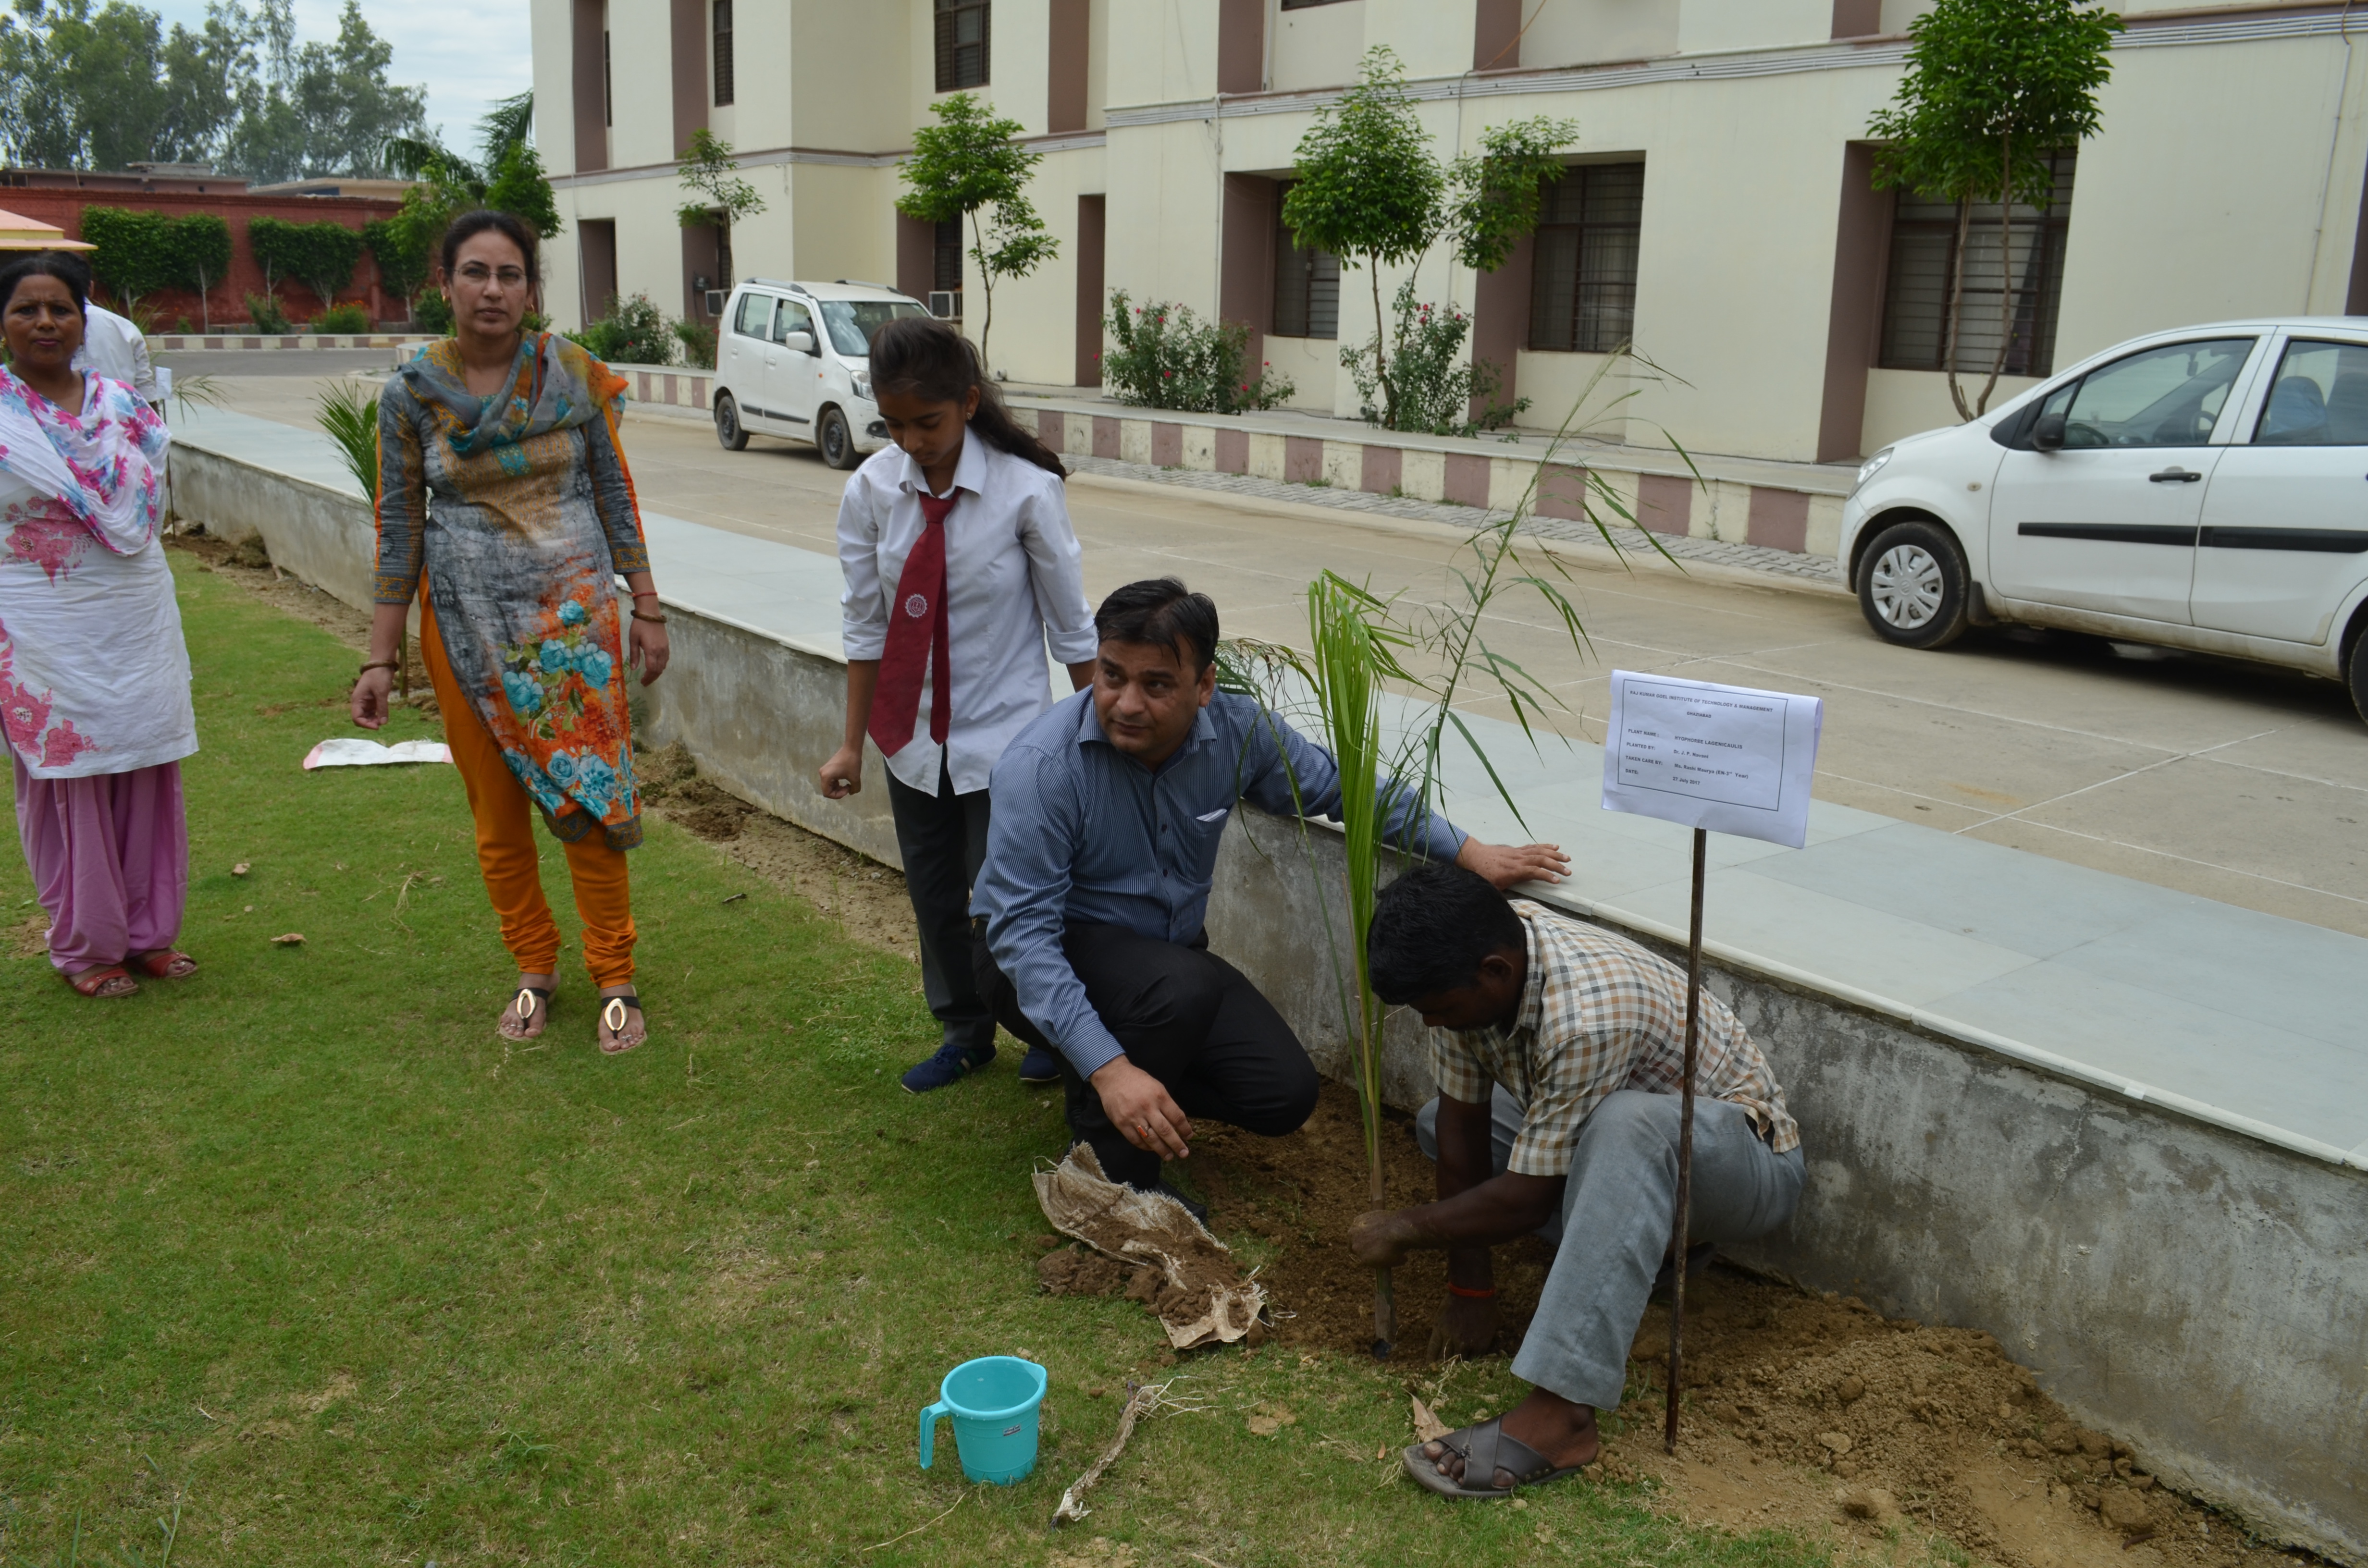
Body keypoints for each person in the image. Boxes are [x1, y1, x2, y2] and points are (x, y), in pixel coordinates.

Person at [971, 576, 1569, 1207]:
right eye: (1111, 676)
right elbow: (1023, 937)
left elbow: (1340, 787)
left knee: (1280, 1093)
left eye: (1157, 685)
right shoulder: (1044, 768)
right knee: (1178, 988)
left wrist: (1468, 851)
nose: (1126, 703)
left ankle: (1106, 1072)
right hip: (1033, 962)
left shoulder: (1236, 732)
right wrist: (1112, 1071)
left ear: (1205, 686)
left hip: (1163, 967)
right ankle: (1109, 1174)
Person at [1348, 861, 1804, 1500]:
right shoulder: (1470, 971)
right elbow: (1461, 1132)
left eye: (1440, 1009)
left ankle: (1561, 1416)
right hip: (1627, 1152)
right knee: (1436, 1123)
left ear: (1495, 972)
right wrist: (1470, 1292)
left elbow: (1526, 1200)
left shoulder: (1587, 1012)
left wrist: (1403, 1229)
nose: (1431, 1023)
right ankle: (1658, 1251)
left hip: (1742, 1165)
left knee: (1628, 1125)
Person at [350, 210, 670, 1054]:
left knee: (588, 798)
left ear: (531, 287)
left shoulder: (575, 377)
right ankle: (534, 966)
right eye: (475, 272)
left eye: (509, 274)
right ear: (446, 284)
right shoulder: (413, 396)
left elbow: (614, 494)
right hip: (465, 634)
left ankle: (615, 975)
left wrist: (647, 604)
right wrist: (378, 658)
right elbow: (398, 530)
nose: (492, 290)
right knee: (496, 817)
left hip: (572, 630)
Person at [818, 317, 1096, 1095]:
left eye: (928, 423)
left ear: (969, 403)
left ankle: (1045, 1030)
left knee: (1012, 906)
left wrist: (1098, 743)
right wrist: (852, 745)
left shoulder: (1026, 490)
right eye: (894, 424)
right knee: (935, 899)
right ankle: (964, 1033)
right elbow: (864, 625)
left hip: (1008, 745)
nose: (911, 441)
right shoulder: (872, 491)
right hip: (912, 743)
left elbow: (1073, 629)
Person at [0, 251, 196, 996]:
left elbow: (148, 502)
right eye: (26, 309)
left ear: (85, 320)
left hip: (133, 609)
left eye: (61, 308)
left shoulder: (123, 406)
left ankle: (149, 935)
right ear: (3, 323)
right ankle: (88, 947)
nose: (46, 322)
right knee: (71, 776)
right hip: (40, 618)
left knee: (145, 764)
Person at [53, 257, 160, 406]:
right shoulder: (126, 328)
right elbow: (146, 392)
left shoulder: (40, 328)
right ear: (91, 288)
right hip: (122, 417)